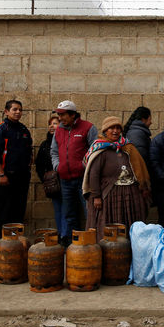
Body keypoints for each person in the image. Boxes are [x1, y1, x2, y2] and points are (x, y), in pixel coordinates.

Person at [82, 117, 151, 241]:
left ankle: (130, 251)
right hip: (109, 195)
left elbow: (140, 168)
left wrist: (144, 187)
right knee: (110, 225)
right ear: (105, 131)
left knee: (130, 224)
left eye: (118, 128)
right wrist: (96, 196)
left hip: (130, 194)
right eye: (111, 128)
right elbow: (94, 174)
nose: (115, 131)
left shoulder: (128, 147)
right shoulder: (100, 149)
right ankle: (110, 252)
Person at [51, 100, 97, 246]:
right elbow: (54, 151)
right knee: (69, 214)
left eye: (63, 115)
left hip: (84, 180)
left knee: (88, 212)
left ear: (72, 115)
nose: (60, 118)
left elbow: (94, 150)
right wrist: (58, 166)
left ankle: (90, 244)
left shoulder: (88, 128)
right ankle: (73, 246)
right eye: (59, 115)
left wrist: (84, 166)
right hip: (65, 180)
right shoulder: (59, 130)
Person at [0, 100, 33, 239]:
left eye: (20, 109)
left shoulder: (24, 129)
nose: (18, 112)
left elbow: (29, 151)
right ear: (6, 111)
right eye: (14, 109)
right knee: (4, 211)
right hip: (6, 177)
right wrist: (1, 174)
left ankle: (16, 242)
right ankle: (2, 243)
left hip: (22, 177)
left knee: (18, 211)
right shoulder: (0, 129)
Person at [35, 112, 61, 206]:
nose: (51, 126)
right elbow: (39, 164)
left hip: (66, 182)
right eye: (50, 124)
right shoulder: (45, 144)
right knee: (57, 207)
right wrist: (46, 179)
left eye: (54, 124)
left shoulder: (65, 141)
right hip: (53, 183)